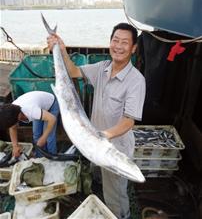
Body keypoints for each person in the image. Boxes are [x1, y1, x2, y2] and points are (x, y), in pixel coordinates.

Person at [47, 23, 146, 219]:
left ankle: (120, 215)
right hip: (93, 140)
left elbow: (128, 122)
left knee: (116, 195)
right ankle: (102, 191)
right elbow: (74, 71)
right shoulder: (103, 68)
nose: (118, 46)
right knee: (98, 176)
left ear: (133, 48)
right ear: (110, 42)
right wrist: (60, 49)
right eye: (115, 40)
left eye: (125, 42)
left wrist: (103, 136)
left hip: (113, 146)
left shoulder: (136, 81)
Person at [0, 91, 59, 157]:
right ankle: (40, 157)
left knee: (49, 137)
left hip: (51, 104)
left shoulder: (31, 111)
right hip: (38, 106)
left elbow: (52, 119)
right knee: (36, 135)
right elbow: (12, 128)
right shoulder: (11, 111)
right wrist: (15, 146)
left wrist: (44, 137)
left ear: (19, 116)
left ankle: (53, 158)